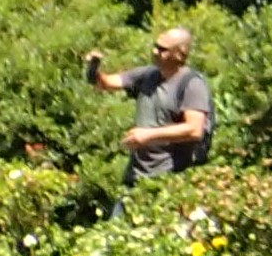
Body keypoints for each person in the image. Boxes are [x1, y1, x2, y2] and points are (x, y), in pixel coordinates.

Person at [83, 23, 215, 187]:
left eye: (162, 49)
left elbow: (194, 130)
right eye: (155, 46)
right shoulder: (147, 75)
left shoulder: (192, 85)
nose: (155, 52)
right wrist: (93, 68)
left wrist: (148, 135)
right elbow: (105, 83)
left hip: (171, 179)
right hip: (137, 175)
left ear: (180, 54)